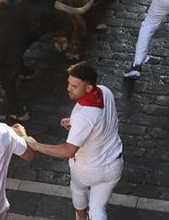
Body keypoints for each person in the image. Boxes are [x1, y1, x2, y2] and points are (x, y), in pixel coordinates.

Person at [22, 62, 123, 220]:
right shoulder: (104, 91)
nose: (68, 89)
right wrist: (74, 123)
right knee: (97, 209)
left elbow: (68, 151)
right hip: (114, 165)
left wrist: (35, 145)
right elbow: (99, 122)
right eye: (69, 83)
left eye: (74, 86)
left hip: (88, 169)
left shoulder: (84, 116)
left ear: (88, 88)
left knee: (78, 190)